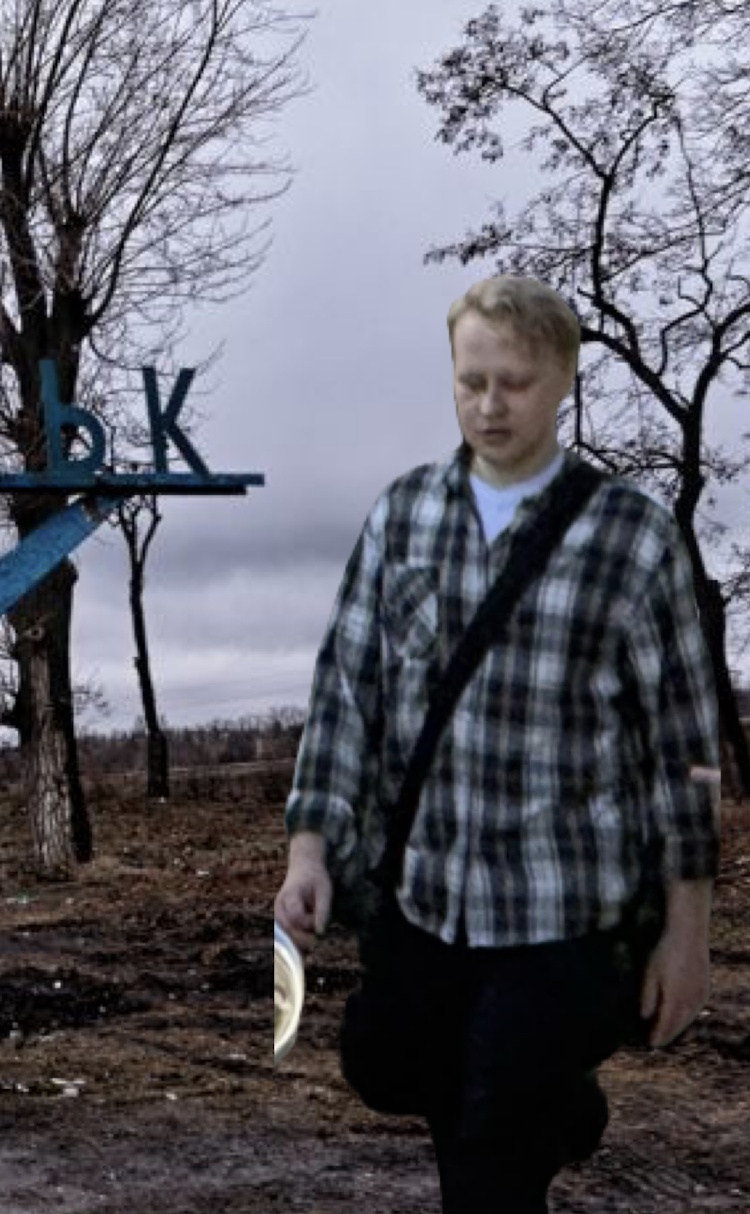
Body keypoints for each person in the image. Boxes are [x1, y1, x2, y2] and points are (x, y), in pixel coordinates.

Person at [273, 274, 720, 1213]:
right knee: (405, 1074)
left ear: (562, 380)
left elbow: (683, 749)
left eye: (514, 383)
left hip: (566, 908)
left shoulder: (632, 537)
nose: (489, 405)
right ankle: (562, 1108)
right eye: (470, 381)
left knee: (492, 1145)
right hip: (426, 898)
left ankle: (538, 1101)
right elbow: (346, 692)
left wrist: (687, 933)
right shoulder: (403, 516)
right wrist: (309, 850)